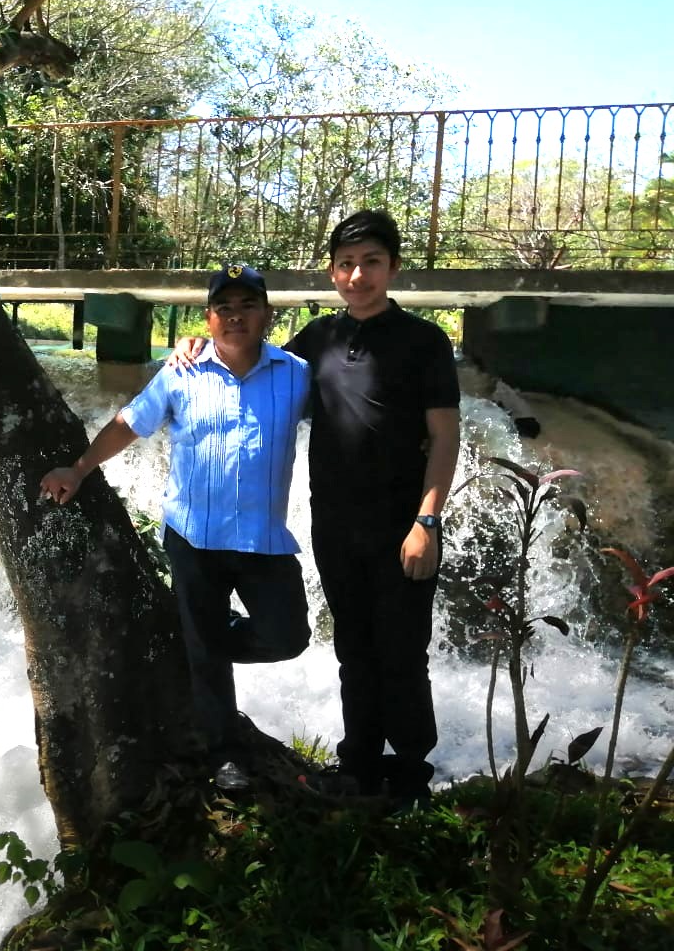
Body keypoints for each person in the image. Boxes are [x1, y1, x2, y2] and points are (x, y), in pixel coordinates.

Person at [171, 211, 461, 809]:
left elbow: (446, 435)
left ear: (392, 268)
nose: (358, 276)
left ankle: (409, 775)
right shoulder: (318, 341)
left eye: (371, 263)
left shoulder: (424, 342)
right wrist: (195, 343)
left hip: (404, 528)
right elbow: (249, 358)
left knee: (402, 654)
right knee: (355, 650)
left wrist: (427, 521)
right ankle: (358, 766)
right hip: (334, 527)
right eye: (347, 265)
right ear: (332, 272)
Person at [41, 264, 312, 789]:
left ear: (267, 315)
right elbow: (128, 423)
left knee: (287, 636)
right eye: (224, 309)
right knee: (207, 649)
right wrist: (78, 468)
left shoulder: (297, 374)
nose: (236, 317)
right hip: (194, 536)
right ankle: (224, 753)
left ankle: (196, 641)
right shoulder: (180, 372)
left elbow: (346, 416)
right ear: (208, 319)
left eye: (247, 306)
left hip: (263, 539)